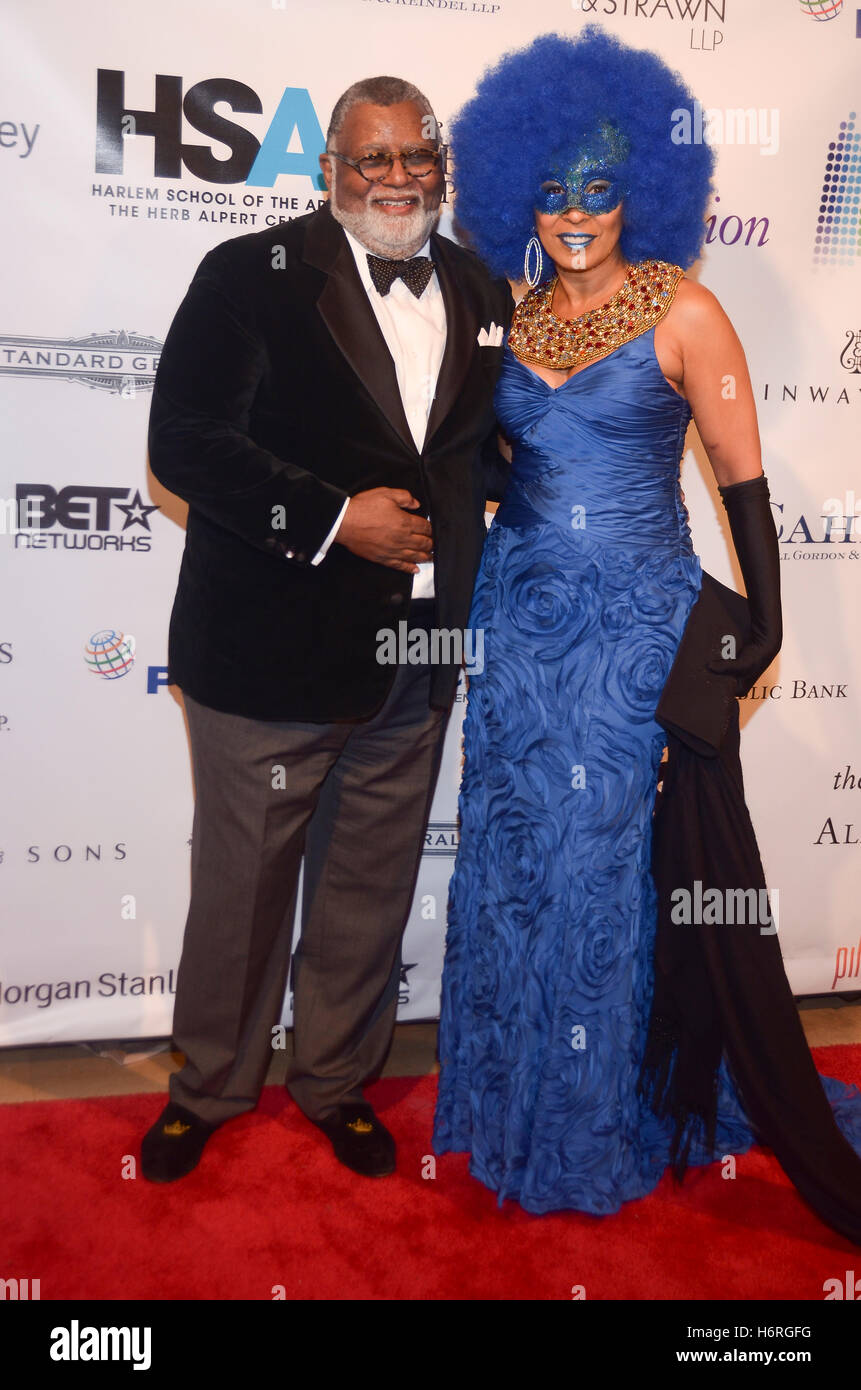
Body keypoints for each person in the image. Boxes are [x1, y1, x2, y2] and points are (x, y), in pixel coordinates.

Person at [432, 28, 861, 1239]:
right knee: (517, 866)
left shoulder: (688, 311)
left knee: (605, 875)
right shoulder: (509, 318)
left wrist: (751, 640)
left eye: (603, 191)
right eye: (555, 191)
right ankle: (511, 1106)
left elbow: (743, 489)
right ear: (526, 193)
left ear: (642, 197)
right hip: (519, 635)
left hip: (632, 641)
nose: (577, 215)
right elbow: (511, 473)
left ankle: (599, 1123)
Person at [142, 75, 513, 1183]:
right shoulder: (247, 277)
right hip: (268, 647)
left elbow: (472, 448)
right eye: (372, 158)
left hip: (417, 650)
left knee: (370, 879)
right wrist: (334, 518)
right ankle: (209, 1084)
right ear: (330, 170)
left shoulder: (479, 282)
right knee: (244, 890)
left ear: (440, 168)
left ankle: (337, 1081)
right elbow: (185, 442)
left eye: (416, 158)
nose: (397, 178)